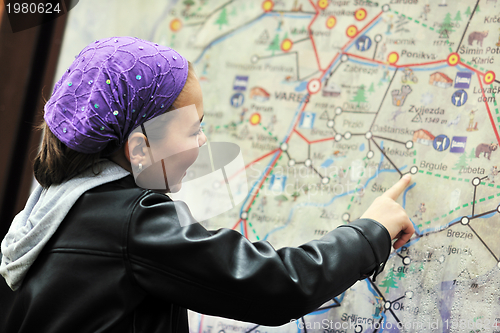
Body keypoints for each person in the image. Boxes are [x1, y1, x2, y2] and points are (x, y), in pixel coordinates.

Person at [0, 37, 414, 332]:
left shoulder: (47, 209)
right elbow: (278, 286)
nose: (203, 142)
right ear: (139, 149)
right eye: (195, 129)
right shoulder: (132, 223)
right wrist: (370, 232)